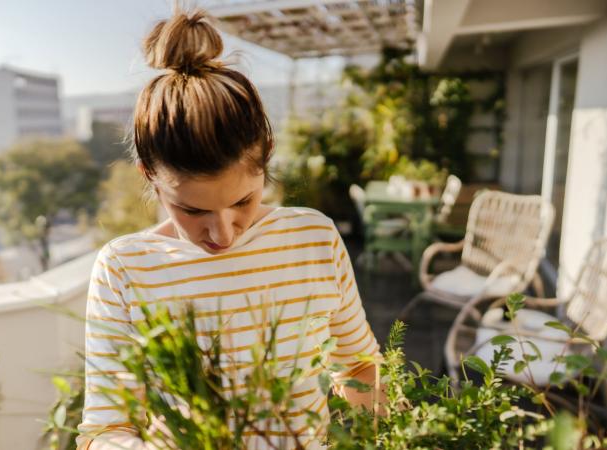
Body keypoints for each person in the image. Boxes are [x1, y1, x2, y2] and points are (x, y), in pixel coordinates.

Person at [77, 8, 381, 449]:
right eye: (193, 211)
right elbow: (105, 429)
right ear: (148, 176)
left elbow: (356, 365)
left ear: (267, 159)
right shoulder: (125, 269)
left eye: (242, 201)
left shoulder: (314, 239)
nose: (223, 234)